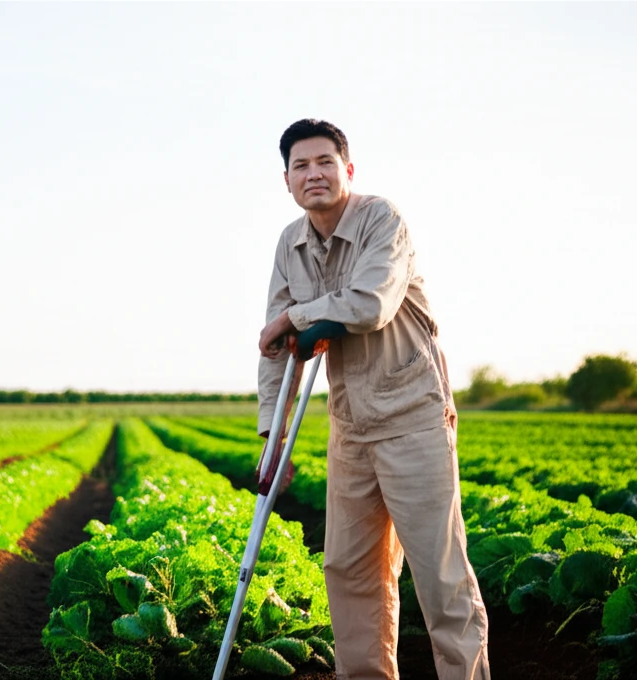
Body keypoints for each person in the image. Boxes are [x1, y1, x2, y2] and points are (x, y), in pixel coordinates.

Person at [256, 119, 490, 680]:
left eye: (324, 162)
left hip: (412, 417)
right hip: (351, 428)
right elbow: (275, 346)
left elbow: (369, 304)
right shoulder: (290, 244)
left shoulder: (382, 219)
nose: (314, 174)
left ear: (348, 169)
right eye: (301, 166)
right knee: (350, 571)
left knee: (440, 574)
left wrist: (300, 317)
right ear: (286, 180)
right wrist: (274, 432)